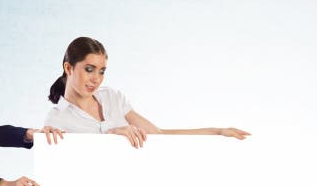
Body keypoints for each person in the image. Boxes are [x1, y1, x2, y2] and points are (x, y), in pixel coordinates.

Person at [45, 36, 250, 148]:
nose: (96, 79)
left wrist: (218, 131)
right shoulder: (56, 121)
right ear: (69, 68)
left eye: (102, 71)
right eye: (89, 69)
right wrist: (113, 135)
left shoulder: (112, 98)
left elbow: (159, 135)